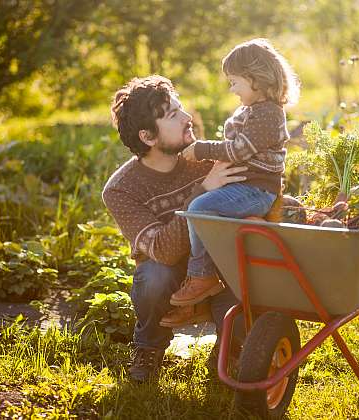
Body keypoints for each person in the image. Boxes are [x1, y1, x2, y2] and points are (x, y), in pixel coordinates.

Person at [102, 75, 247, 382]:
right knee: (153, 276)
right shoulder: (121, 189)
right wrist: (203, 192)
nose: (187, 118)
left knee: (250, 272)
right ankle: (148, 347)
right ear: (148, 137)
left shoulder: (205, 158)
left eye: (181, 109)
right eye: (172, 115)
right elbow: (165, 252)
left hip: (217, 272)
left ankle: (230, 348)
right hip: (170, 279)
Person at [168, 38, 300, 308]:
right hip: (243, 187)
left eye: (234, 82)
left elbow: (240, 150)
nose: (232, 89)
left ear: (256, 78)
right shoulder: (252, 110)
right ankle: (238, 240)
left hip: (258, 190)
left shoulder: (269, 114)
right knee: (201, 207)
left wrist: (203, 149)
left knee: (199, 208)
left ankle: (202, 275)